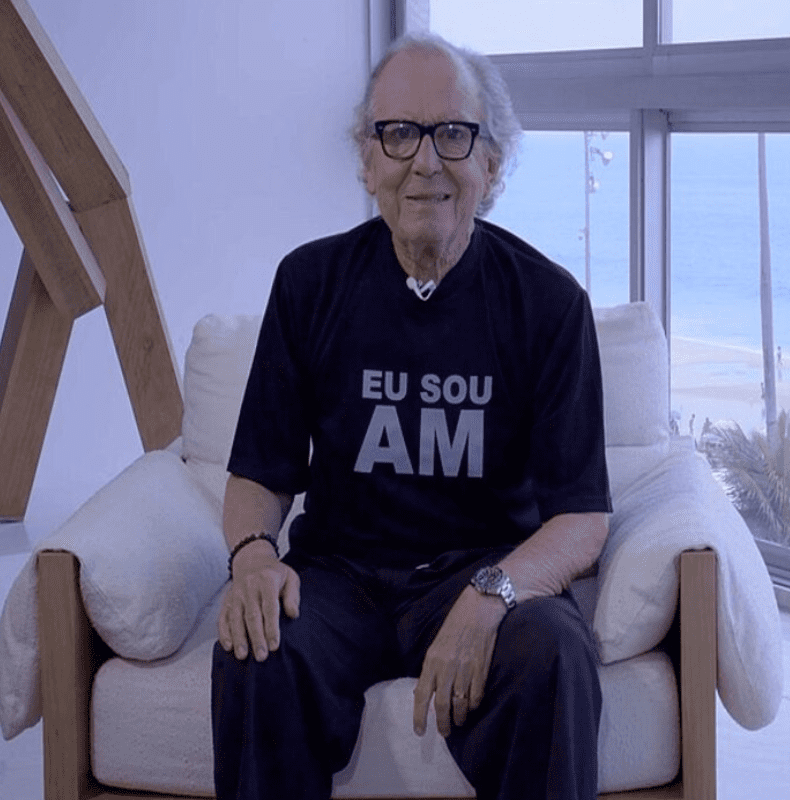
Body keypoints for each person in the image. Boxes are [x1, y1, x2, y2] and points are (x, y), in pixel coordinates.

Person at [210, 32, 611, 800]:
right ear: (368, 159)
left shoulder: (550, 305)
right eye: (399, 134)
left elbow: (581, 521)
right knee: (255, 646)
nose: (425, 161)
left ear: (491, 163)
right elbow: (258, 471)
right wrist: (255, 558)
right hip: (338, 577)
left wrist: (492, 593)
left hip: (480, 568)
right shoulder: (308, 283)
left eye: (452, 133)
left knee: (556, 653)